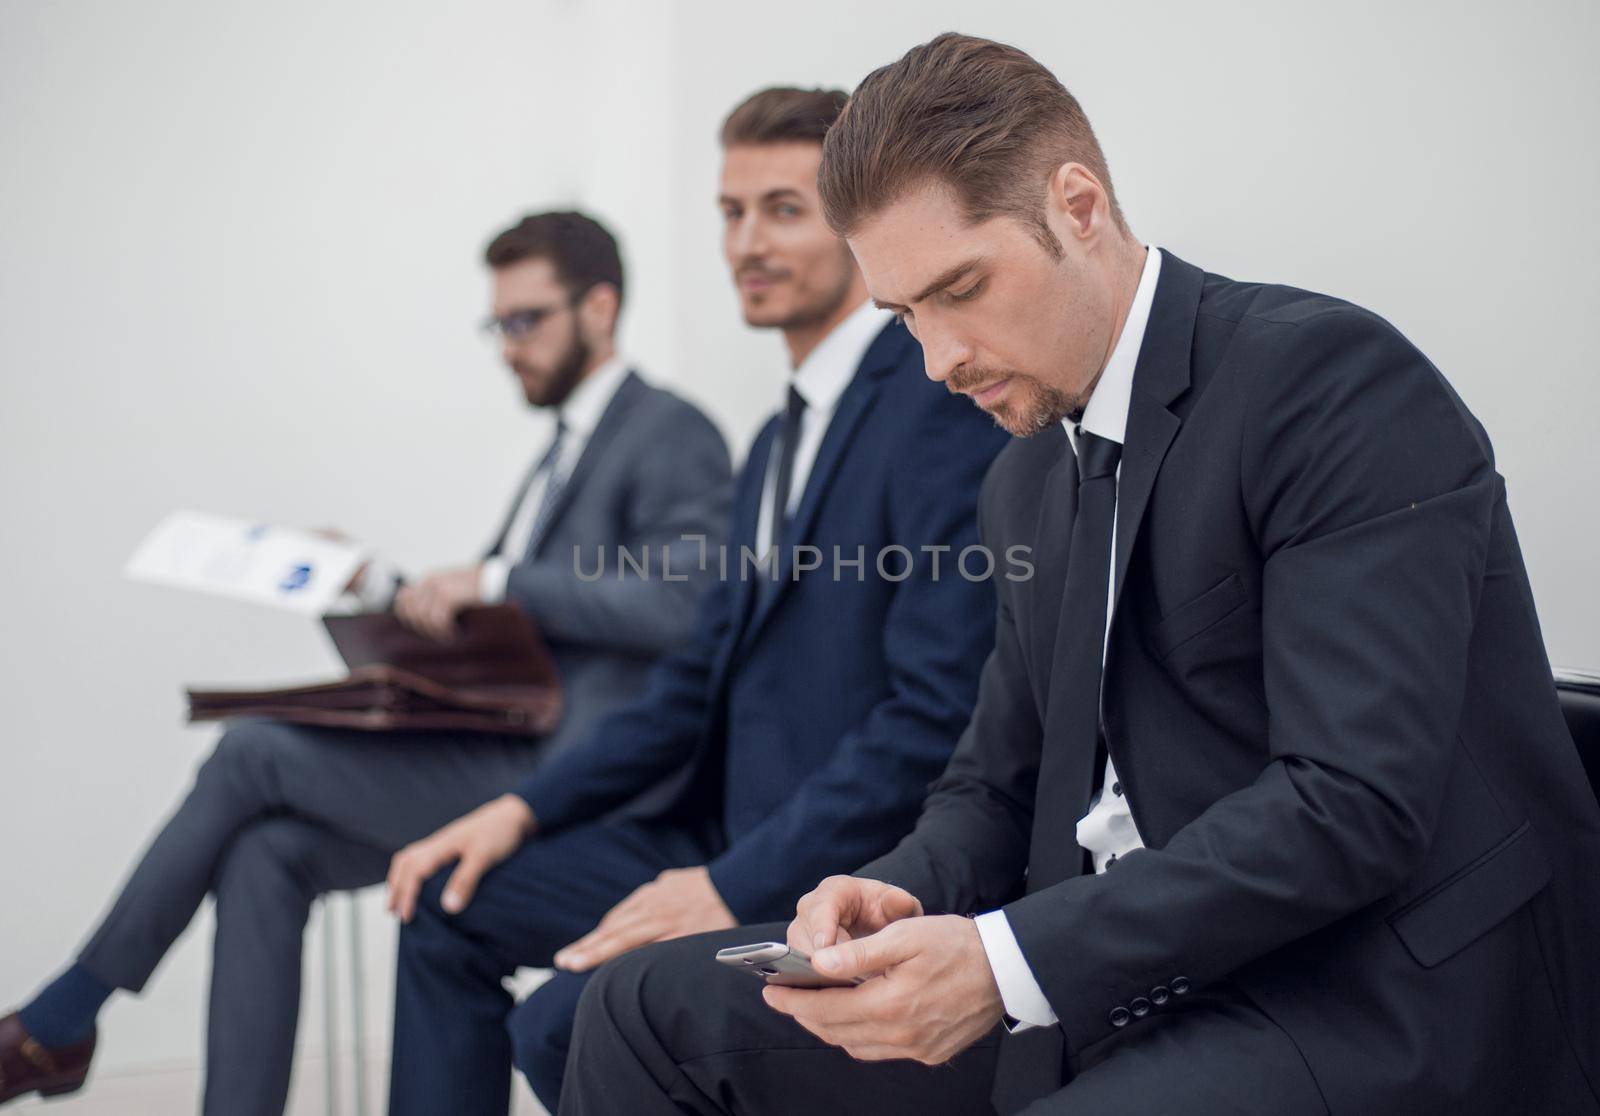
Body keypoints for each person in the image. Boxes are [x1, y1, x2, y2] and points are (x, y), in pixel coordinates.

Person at [557, 33, 1600, 1116]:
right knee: (639, 1013)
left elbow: (1350, 805)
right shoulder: (1025, 479)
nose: (939, 359)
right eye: (906, 313)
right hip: (1114, 979)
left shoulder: (1327, 385)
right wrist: (903, 890)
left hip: (1357, 994)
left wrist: (1007, 963)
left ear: (1078, 206)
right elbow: (992, 783)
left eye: (960, 288)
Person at [0, 211, 732, 1113]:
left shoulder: (669, 431)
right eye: (495, 324)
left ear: (602, 307)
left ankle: (64, 1014)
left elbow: (684, 599)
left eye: (525, 320)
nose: (507, 346)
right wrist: (382, 588)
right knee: (267, 852)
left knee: (252, 752)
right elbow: (512, 618)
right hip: (500, 738)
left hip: (569, 774)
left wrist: (499, 575)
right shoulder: (563, 450)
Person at [381, 87, 1011, 1116]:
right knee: (443, 902)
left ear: (859, 223)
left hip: (830, 867)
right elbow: (688, 685)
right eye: (729, 212)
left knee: (562, 1021)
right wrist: (517, 809)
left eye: (783, 208)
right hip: (713, 833)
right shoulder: (771, 442)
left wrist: (723, 891)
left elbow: (932, 718)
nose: (746, 243)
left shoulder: (935, 403)